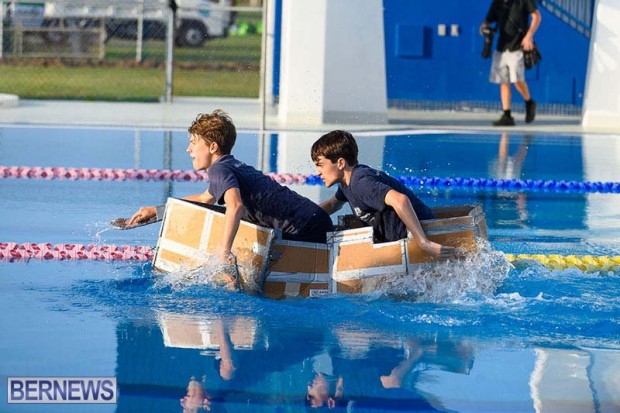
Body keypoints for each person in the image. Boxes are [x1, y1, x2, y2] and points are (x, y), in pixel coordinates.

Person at [128, 110, 334, 263]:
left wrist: (223, 252)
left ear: (213, 147)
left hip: (306, 229)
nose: (188, 149)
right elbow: (204, 199)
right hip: (315, 220)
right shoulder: (229, 165)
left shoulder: (219, 169)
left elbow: (234, 206)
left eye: (193, 143)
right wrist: (157, 211)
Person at [310, 130, 456, 259]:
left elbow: (401, 200)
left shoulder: (361, 183)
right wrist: (306, 218)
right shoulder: (346, 184)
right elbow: (332, 204)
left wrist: (424, 243)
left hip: (422, 234)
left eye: (320, 165)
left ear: (340, 163)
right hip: (402, 240)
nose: (318, 172)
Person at [480, 0, 541, 126]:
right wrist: (484, 28)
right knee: (503, 81)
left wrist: (529, 36)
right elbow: (487, 20)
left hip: (517, 46)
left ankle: (529, 102)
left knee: (517, 80)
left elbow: (536, 16)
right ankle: (507, 115)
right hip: (501, 47)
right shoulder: (497, 3)